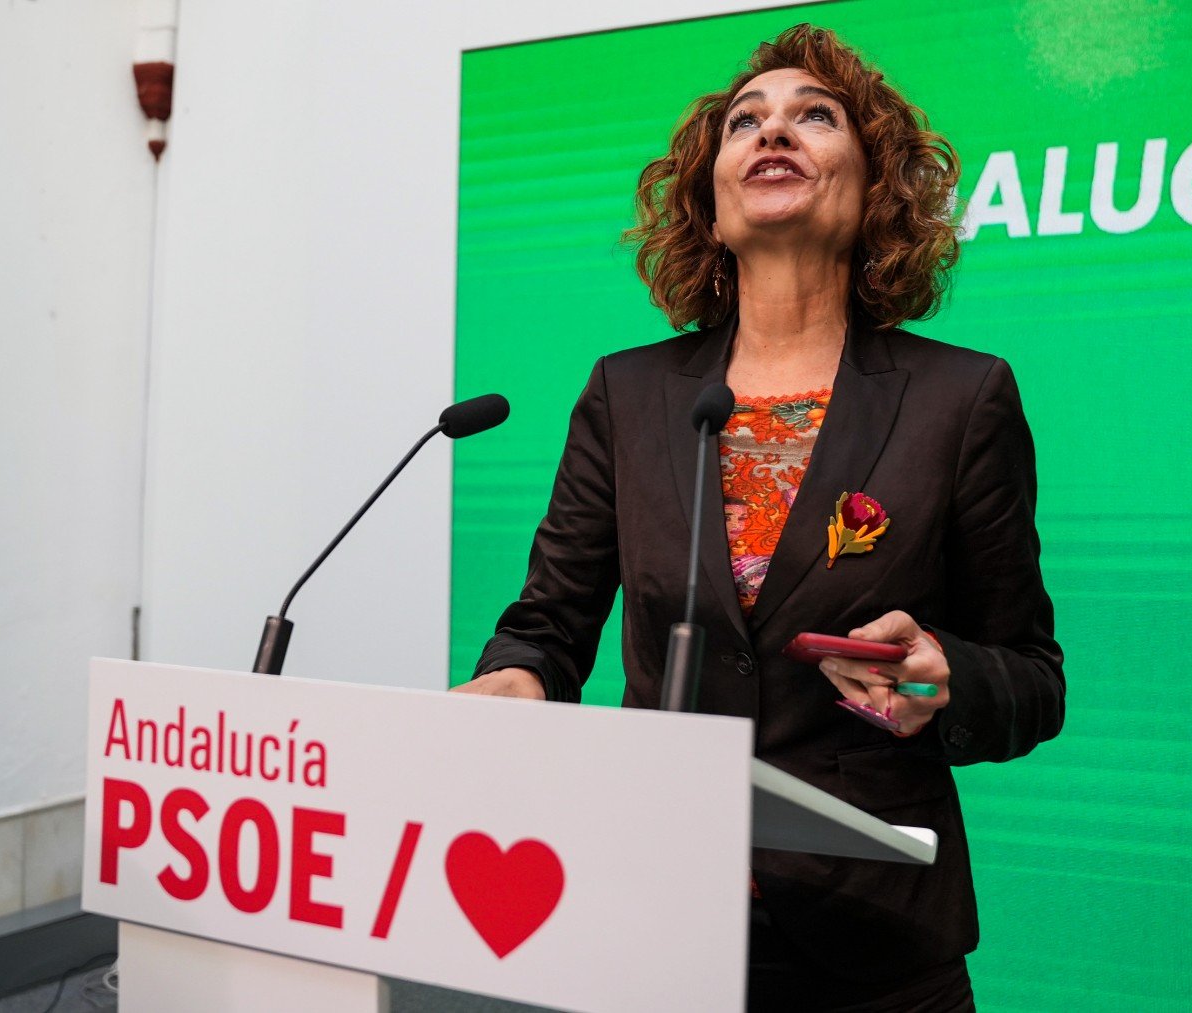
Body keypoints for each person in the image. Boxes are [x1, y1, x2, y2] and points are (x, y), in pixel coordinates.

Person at [454, 23, 1064, 1012]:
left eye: (813, 118)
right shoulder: (629, 394)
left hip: (873, 938)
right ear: (712, 199)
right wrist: (516, 680)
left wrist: (950, 678)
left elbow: (1034, 676)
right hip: (653, 911)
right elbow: (548, 624)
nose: (773, 131)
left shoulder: (963, 399)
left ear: (874, 194)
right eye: (747, 122)